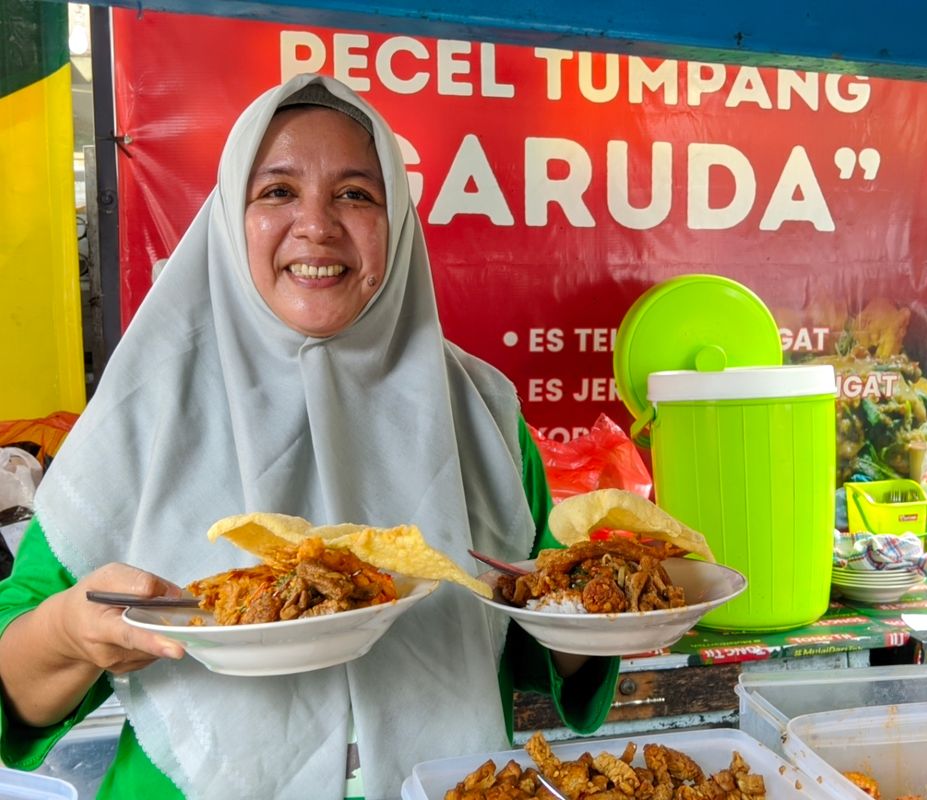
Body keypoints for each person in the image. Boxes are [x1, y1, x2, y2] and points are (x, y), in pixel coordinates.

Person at [0, 74, 618, 799]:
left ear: (397, 223)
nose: (317, 225)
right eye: (277, 191)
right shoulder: (144, 411)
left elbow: (539, 638)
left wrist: (608, 611)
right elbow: (14, 692)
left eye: (355, 194)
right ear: (230, 219)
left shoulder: (482, 412)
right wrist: (70, 634)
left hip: (444, 786)